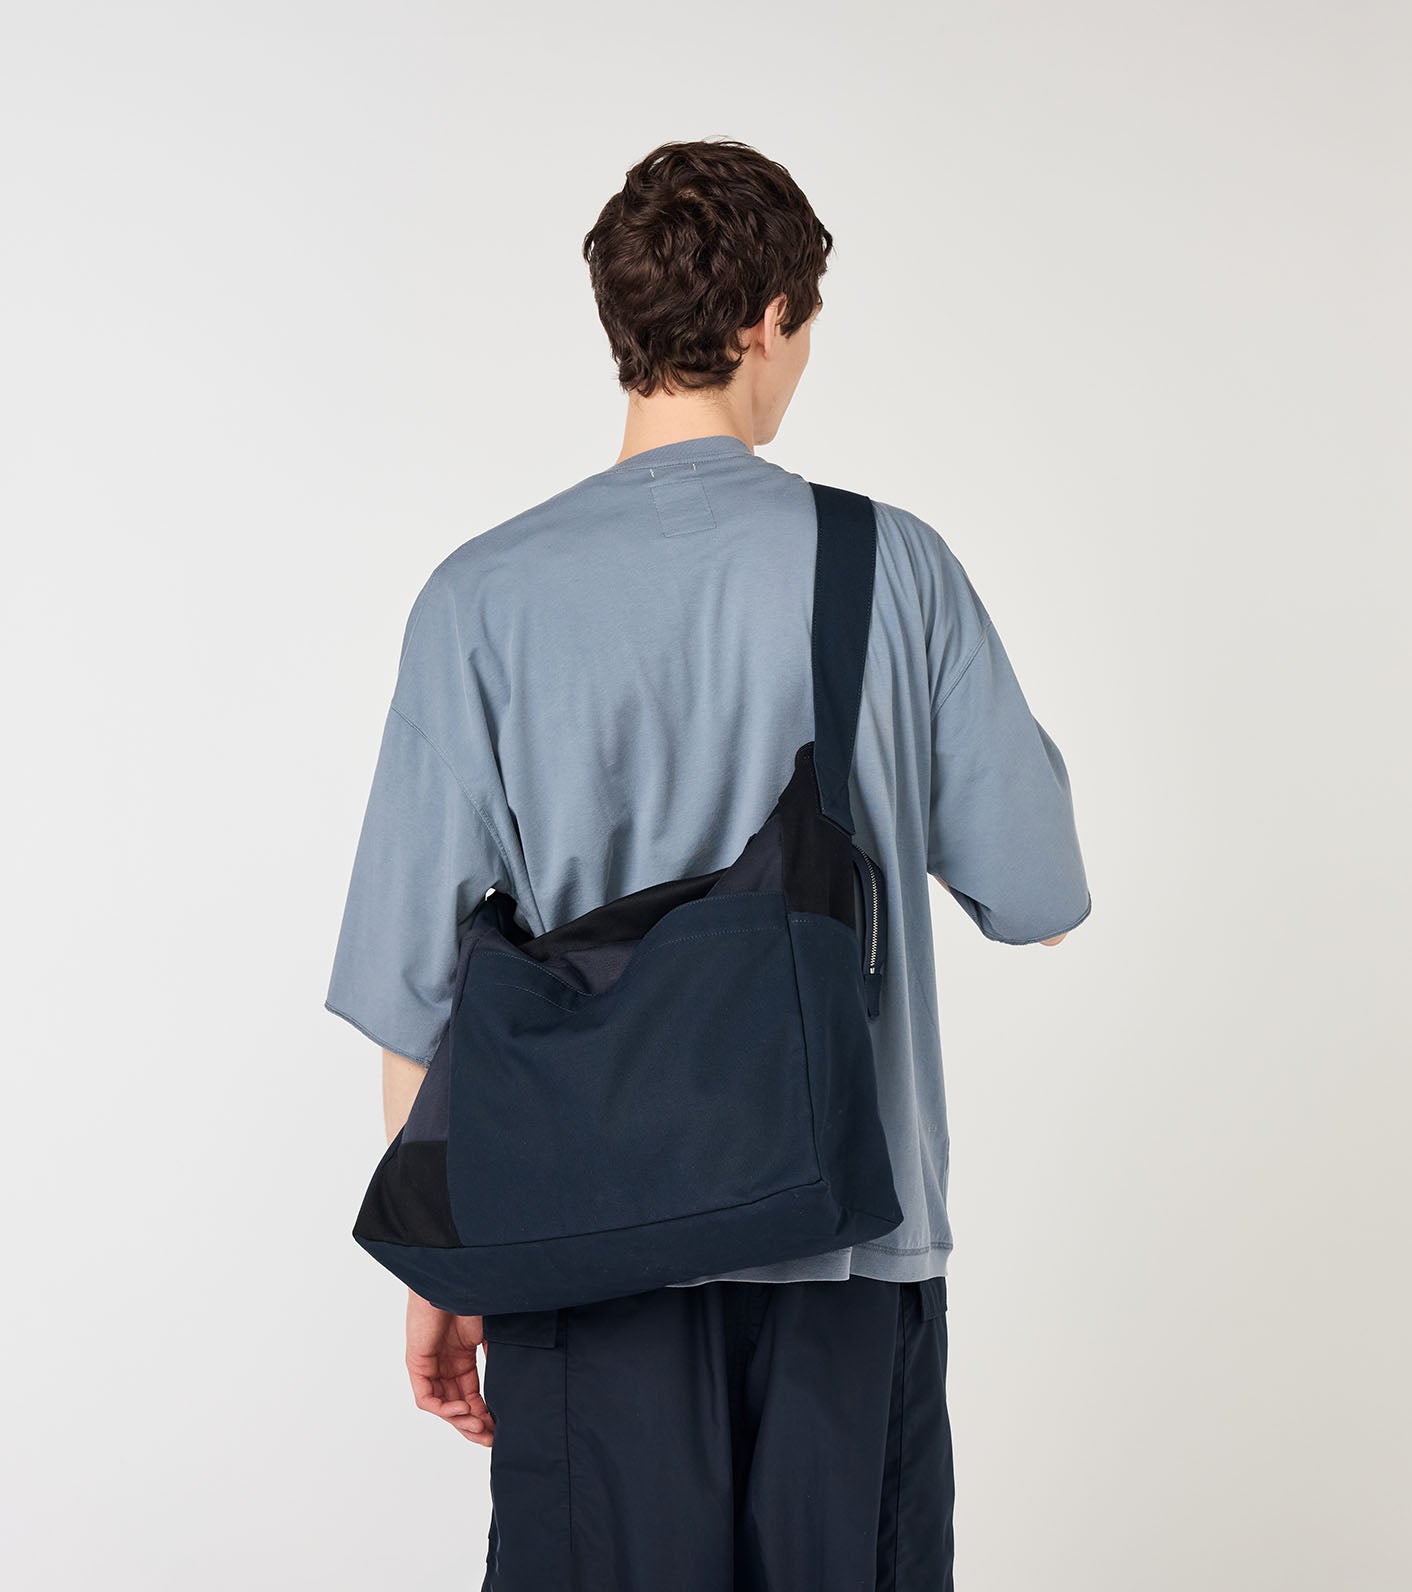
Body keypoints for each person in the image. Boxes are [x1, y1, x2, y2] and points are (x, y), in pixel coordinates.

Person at [325, 136, 1091, 1592]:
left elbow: (415, 993)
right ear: (768, 320)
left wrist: (443, 1265)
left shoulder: (478, 601)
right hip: (847, 1261)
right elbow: (1040, 897)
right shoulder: (893, 567)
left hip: (578, 1261)